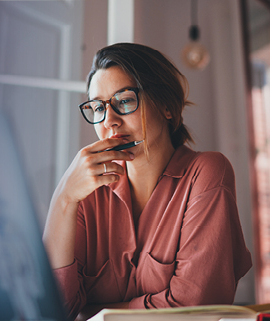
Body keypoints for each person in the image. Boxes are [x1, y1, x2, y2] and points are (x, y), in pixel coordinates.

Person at [42, 43, 252, 321]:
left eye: (125, 100)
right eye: (98, 108)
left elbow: (195, 307)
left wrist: (94, 313)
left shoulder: (207, 172)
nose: (110, 122)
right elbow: (51, 311)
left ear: (166, 105)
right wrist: (64, 198)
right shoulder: (85, 193)